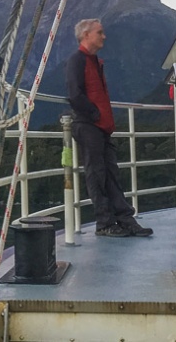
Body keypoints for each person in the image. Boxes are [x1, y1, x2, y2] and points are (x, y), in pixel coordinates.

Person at [66, 19, 153, 237]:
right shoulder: (78, 60)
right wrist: (94, 113)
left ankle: (124, 219)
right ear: (86, 35)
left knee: (110, 173)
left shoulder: (93, 61)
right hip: (88, 125)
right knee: (97, 173)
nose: (104, 36)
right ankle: (104, 223)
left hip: (99, 127)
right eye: (100, 32)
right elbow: (74, 94)